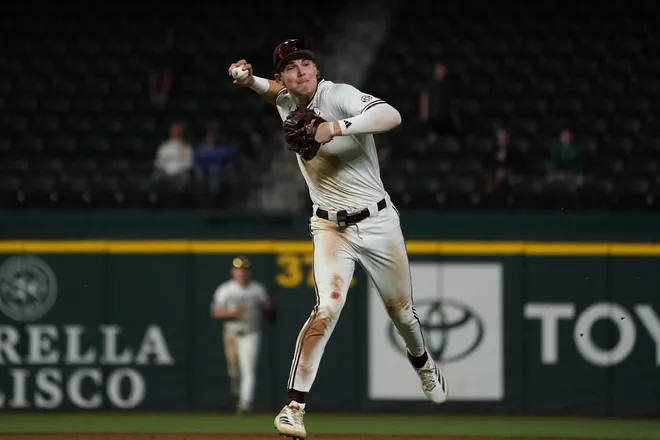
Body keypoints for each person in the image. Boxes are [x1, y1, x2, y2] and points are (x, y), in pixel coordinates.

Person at [228, 39, 448, 439]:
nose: (302, 72)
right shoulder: (286, 102)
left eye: (307, 63)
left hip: (378, 222)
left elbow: (391, 115)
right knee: (326, 308)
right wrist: (248, 81)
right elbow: (274, 93)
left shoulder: (338, 95)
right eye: (292, 67)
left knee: (402, 314)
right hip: (329, 227)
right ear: (283, 77)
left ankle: (421, 361)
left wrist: (335, 127)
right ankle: (293, 408)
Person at [210, 256, 273, 415]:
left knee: (248, 370)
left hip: (251, 333)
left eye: (244, 270)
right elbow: (215, 312)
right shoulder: (225, 290)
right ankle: (238, 393)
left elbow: (268, 308)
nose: (241, 273)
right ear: (233, 272)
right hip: (231, 334)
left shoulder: (257, 290)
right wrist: (232, 313)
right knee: (234, 372)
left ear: (249, 272)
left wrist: (268, 311)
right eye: (238, 270)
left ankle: (245, 404)